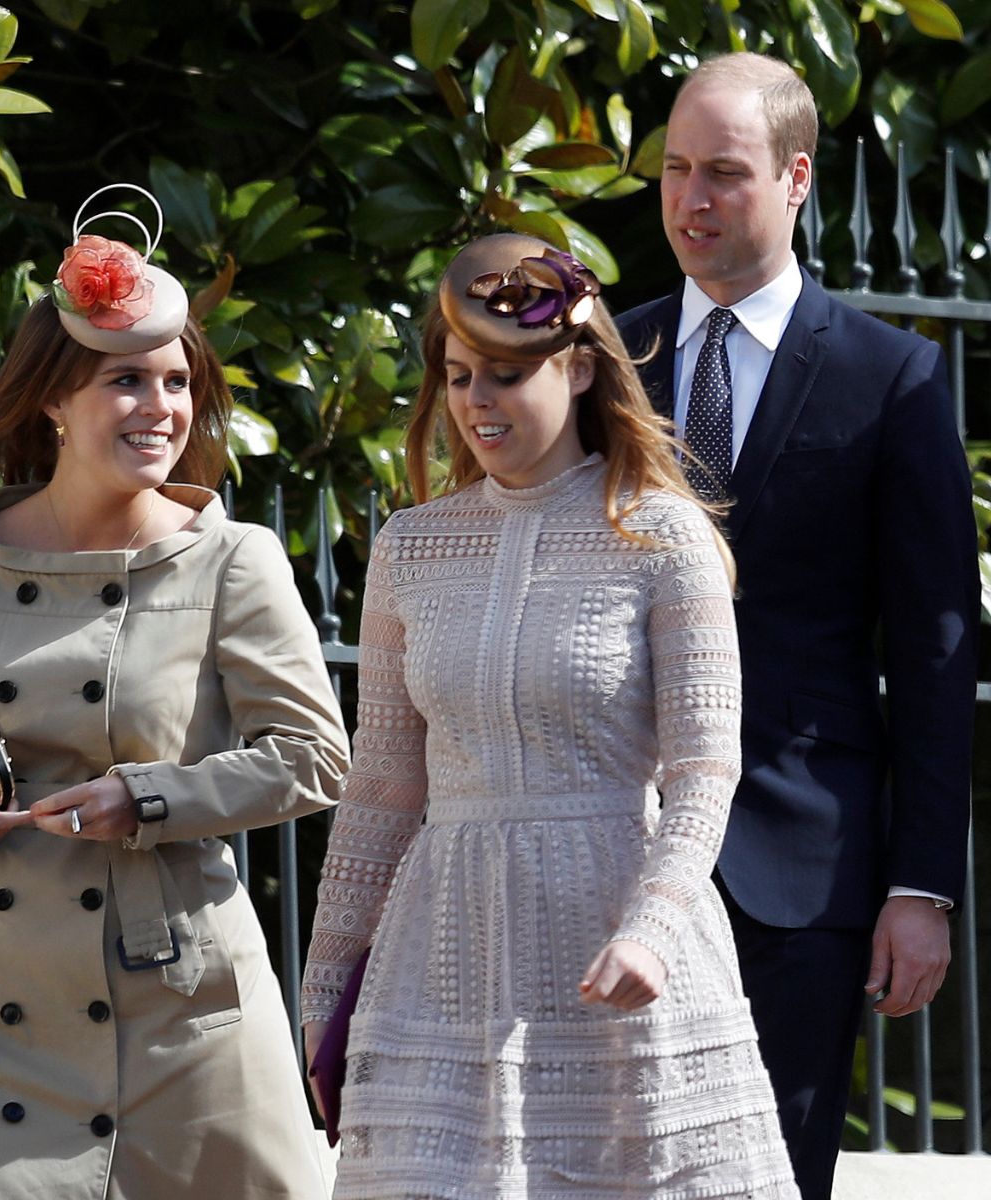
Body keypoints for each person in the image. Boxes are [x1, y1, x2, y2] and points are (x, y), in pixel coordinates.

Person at [0, 185, 350, 1200]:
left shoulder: (231, 559)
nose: (162, 409)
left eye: (176, 382)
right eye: (127, 382)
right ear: (54, 399)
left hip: (182, 1012)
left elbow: (314, 757)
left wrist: (148, 798)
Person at [300, 232, 800, 1198]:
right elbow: (381, 787)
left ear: (575, 367)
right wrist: (325, 987)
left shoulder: (664, 533)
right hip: (443, 959)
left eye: (504, 374)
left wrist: (652, 927)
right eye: (456, 377)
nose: (476, 402)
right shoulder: (411, 547)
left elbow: (705, 769)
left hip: (615, 940)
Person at [614, 53, 979, 1200]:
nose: (690, 199)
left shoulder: (893, 378)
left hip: (800, 873)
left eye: (723, 171)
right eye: (675, 170)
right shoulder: (602, 365)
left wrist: (922, 884)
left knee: (773, 1180)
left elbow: (931, 650)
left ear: (798, 179)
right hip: (607, 853)